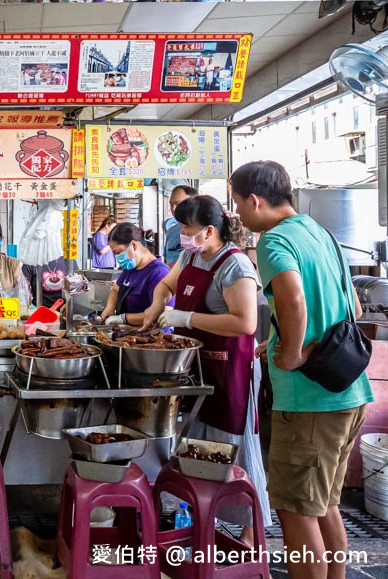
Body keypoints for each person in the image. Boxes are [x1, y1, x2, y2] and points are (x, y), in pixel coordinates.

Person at [230, 161, 373, 579]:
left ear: (255, 200)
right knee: (325, 504)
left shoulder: (273, 242)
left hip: (310, 401)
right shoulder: (319, 232)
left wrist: (291, 353)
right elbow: (355, 308)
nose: (238, 213)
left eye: (239, 204)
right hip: (348, 391)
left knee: (295, 511)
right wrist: (276, 342)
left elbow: (292, 299)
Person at [140, 196, 272, 545]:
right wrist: (157, 306)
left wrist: (187, 318)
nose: (183, 235)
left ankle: (249, 531)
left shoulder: (236, 266)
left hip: (231, 370)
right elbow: (166, 285)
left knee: (237, 448)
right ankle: (200, 519)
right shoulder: (192, 254)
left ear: (209, 230)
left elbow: (245, 322)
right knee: (198, 444)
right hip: (195, 367)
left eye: (188, 229)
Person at [99, 223, 170, 326]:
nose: (118, 258)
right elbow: (116, 290)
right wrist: (110, 307)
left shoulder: (159, 273)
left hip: (150, 337)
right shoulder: (130, 268)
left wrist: (123, 319)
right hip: (128, 333)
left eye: (119, 252)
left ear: (134, 245)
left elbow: (162, 314)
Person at [165, 185, 199, 266]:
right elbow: (167, 259)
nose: (173, 209)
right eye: (171, 204)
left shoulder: (201, 231)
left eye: (178, 203)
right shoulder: (171, 231)